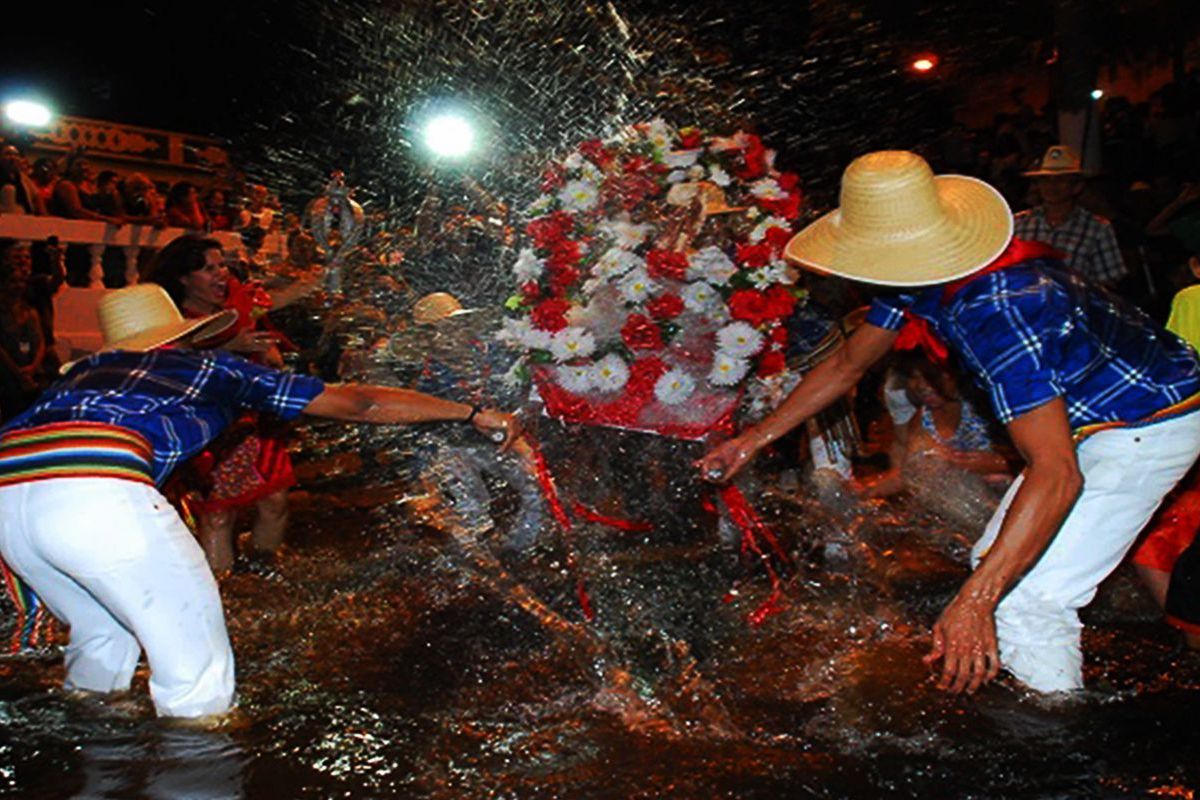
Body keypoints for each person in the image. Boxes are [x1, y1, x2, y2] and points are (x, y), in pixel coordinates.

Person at [698, 151, 1200, 695]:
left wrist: (974, 600)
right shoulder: (917, 275)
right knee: (997, 563)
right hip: (1098, 418)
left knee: (1029, 601)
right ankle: (1035, 691)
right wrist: (751, 440)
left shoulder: (1001, 312)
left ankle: (1057, 747)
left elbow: (1057, 473)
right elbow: (848, 365)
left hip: (1150, 425)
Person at [0, 283, 518, 720]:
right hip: (94, 491)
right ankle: (195, 778)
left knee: (101, 635)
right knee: (196, 677)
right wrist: (470, 413)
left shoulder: (82, 379)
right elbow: (358, 401)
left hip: (9, 498)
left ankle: (90, 751)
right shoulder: (203, 369)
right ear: (181, 337)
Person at [146, 236, 316, 573]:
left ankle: (260, 580)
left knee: (275, 501)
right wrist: (230, 349)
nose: (221, 274)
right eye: (209, 269)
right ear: (183, 278)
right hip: (207, 429)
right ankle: (222, 595)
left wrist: (327, 276)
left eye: (222, 265)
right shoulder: (170, 321)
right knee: (218, 513)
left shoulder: (236, 309)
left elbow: (279, 300)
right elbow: (167, 368)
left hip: (254, 423)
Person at [1013, 145, 1128, 287]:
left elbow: (1110, 281)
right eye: (1045, 180)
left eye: (1061, 180)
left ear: (1077, 186)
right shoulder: (1018, 223)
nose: (1052, 186)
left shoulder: (1097, 228)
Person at [0, 241, 47, 421]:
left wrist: (33, 368)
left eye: (21, 282)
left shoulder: (30, 312)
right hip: (8, 374)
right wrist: (18, 374)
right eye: (13, 282)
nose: (18, 286)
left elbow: (41, 342)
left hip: (31, 372)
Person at [0, 143, 47, 215]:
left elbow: (36, 196)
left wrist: (44, 215)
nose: (13, 157)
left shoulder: (22, 177)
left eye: (16, 155)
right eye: (8, 154)